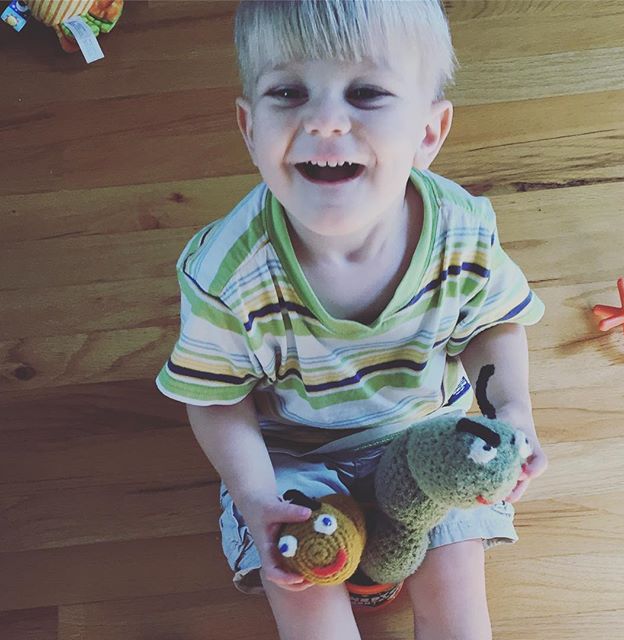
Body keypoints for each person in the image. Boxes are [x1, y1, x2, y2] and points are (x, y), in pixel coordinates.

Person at [156, 1, 548, 638]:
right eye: (288, 92)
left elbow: (493, 325)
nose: (325, 121)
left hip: (428, 437)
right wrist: (257, 499)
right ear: (249, 127)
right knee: (310, 611)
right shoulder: (226, 273)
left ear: (429, 131)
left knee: (459, 610)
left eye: (367, 93)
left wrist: (513, 410)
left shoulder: (461, 230)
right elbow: (216, 399)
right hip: (292, 459)